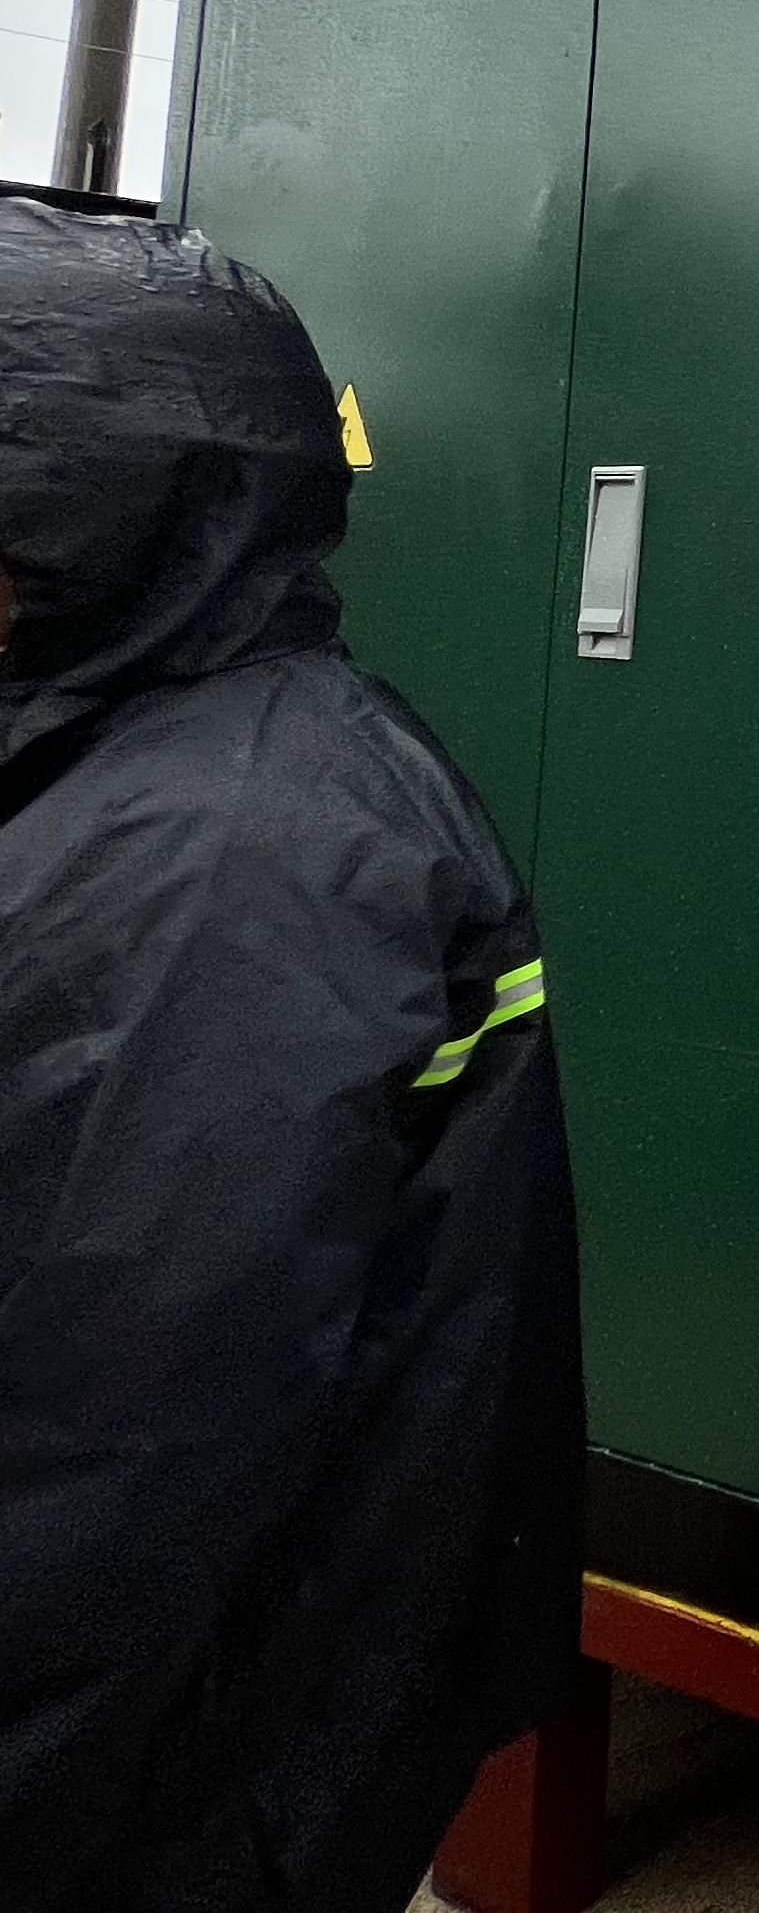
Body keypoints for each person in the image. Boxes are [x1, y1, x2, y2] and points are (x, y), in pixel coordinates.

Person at [0, 202, 584, 1913]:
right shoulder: (127, 745)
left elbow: (107, 1477)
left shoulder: (233, 861)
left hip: (166, 1784)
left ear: (93, 511)